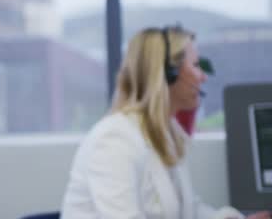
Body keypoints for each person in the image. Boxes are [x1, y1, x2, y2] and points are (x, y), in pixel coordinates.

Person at [60, 27, 270, 219]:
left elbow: (189, 210)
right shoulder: (115, 140)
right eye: (196, 66)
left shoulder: (165, 131)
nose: (203, 77)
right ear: (169, 74)